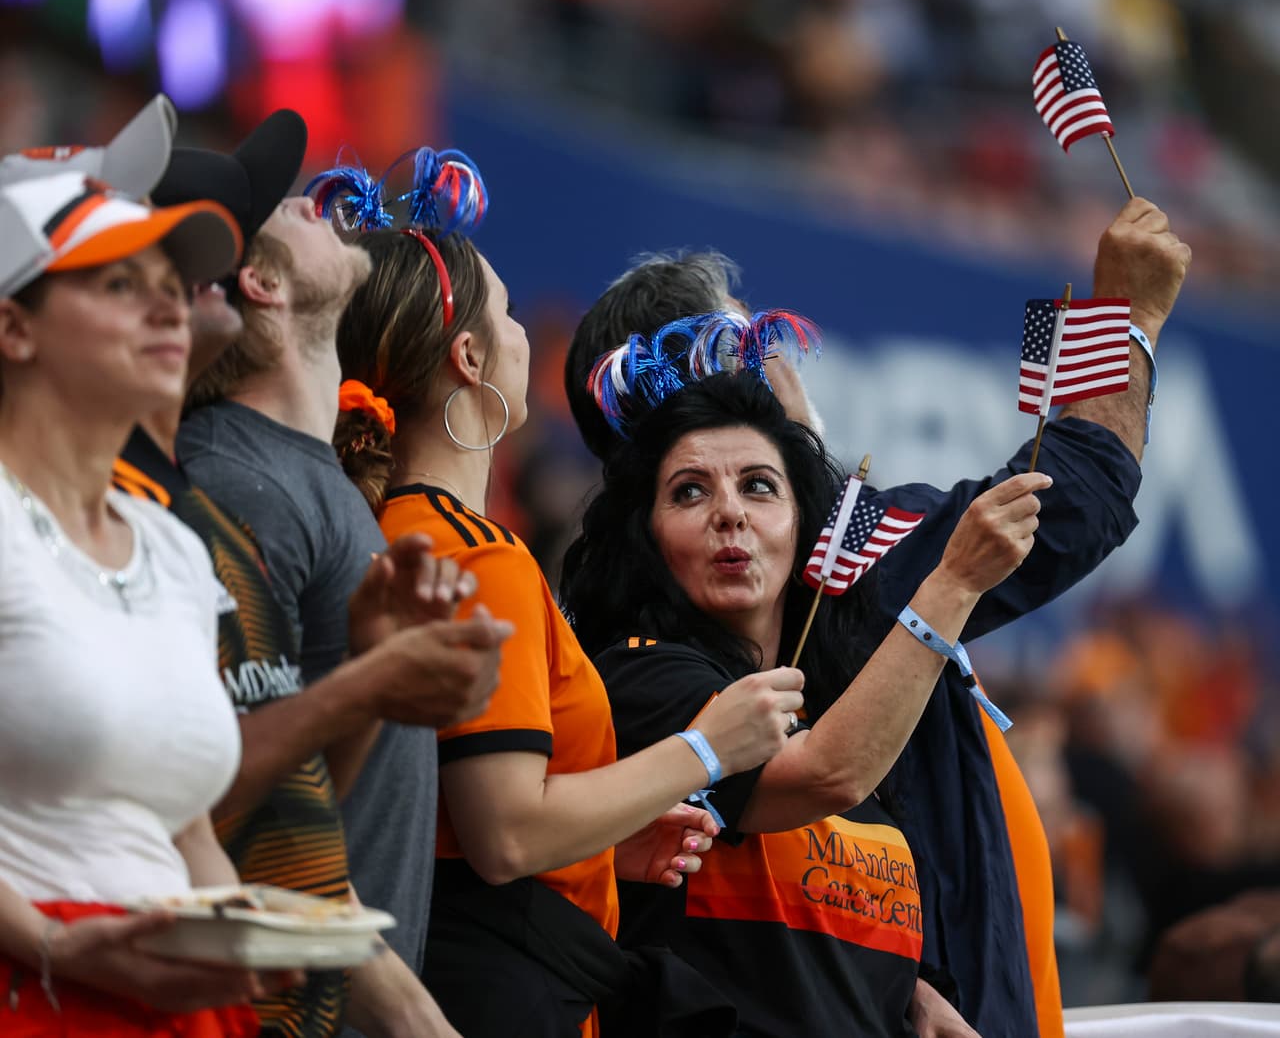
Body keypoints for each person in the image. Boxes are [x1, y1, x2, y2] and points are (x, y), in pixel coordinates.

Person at [563, 204, 1191, 1037]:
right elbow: (1076, 494)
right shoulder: (837, 572)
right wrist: (1128, 320)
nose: (788, 375)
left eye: (757, 487)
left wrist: (906, 983)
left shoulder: (792, 585)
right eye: (757, 348)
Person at [322, 147, 805, 1037]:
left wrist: (608, 845)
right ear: (469, 358)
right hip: (505, 995)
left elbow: (454, 825)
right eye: (506, 314)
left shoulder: (398, 532)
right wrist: (707, 749)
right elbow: (504, 834)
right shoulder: (476, 555)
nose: (521, 334)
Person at [97, 106, 507, 1038]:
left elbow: (298, 788)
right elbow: (212, 810)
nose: (308, 198)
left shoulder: (295, 478)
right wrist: (406, 1011)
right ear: (259, 282)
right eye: (277, 207)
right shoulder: (239, 480)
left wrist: (368, 677)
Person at [559, 326, 1048, 1034]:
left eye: (759, 486)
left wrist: (915, 996)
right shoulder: (642, 675)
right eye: (690, 491)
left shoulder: (837, 707)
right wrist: (953, 583)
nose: (730, 511)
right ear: (650, 538)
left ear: (802, 526)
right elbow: (825, 775)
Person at [0, 162, 285, 1033]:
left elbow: (189, 830)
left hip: (170, 1003)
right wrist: (50, 944)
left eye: (172, 284)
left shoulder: (172, 545)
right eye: (121, 284)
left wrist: (246, 943)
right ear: (13, 327)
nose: (168, 306)